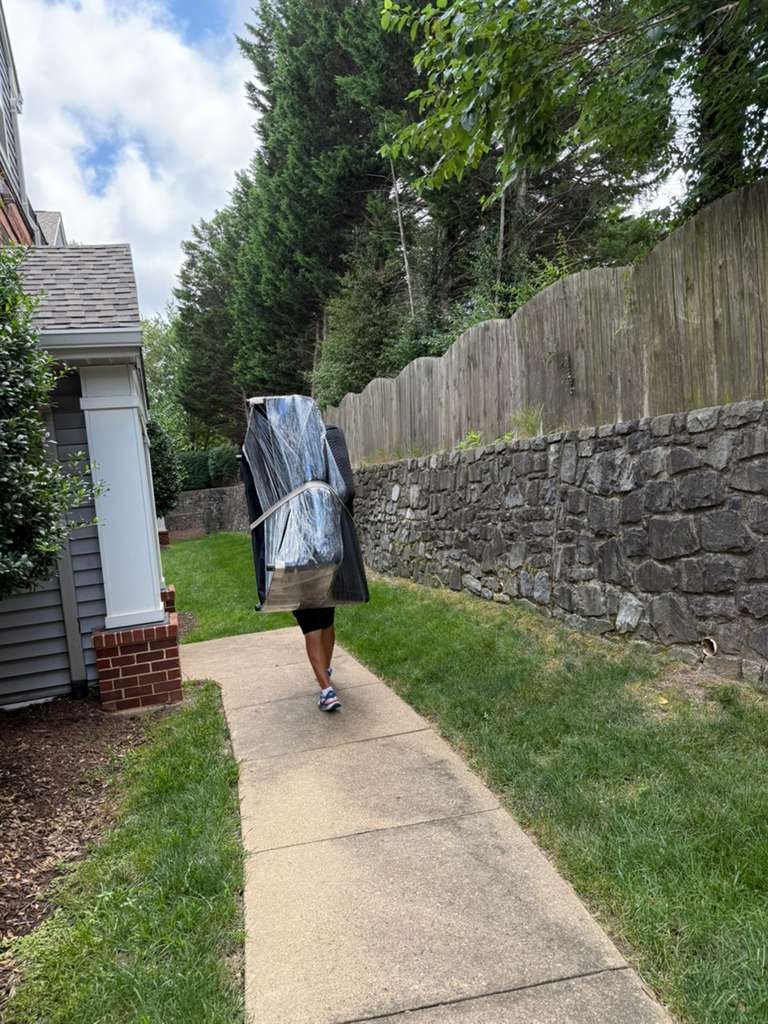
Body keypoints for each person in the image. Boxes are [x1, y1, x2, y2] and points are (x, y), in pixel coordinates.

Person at [293, 423, 354, 712]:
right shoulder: (329, 443)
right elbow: (346, 491)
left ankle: (325, 687)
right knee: (324, 619)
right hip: (330, 549)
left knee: (314, 624)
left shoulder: (293, 459)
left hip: (301, 554)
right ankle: (325, 676)